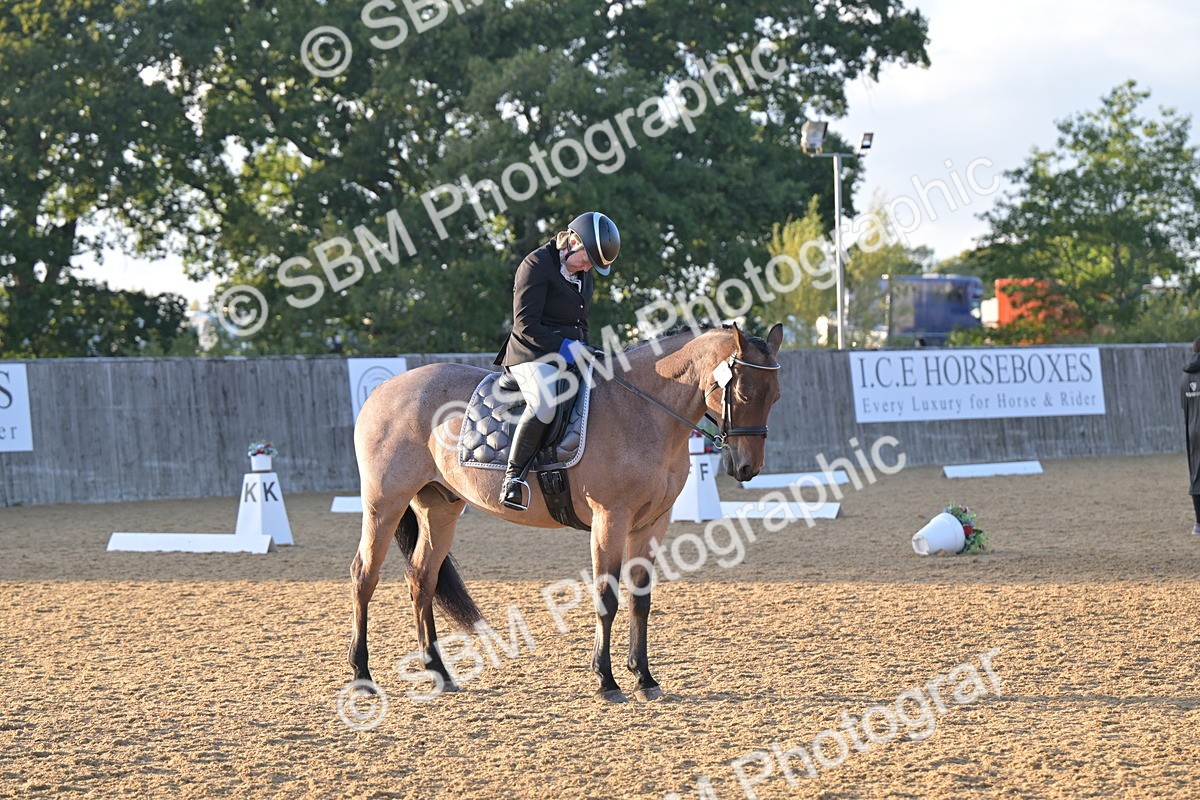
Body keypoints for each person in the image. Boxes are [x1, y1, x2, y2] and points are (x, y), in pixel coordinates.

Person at [492, 211, 621, 510]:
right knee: (545, 403)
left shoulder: (583, 276)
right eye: (587, 259)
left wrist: (589, 350)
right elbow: (525, 325)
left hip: (570, 352)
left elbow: (581, 322)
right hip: (530, 353)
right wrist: (568, 348)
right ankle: (513, 479)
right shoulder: (536, 265)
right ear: (572, 241)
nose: (588, 267)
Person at [1183, 336, 1200, 535]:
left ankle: (1198, 524)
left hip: (1193, 429)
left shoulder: (1185, 376)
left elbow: (1184, 405)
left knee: (1197, 474)